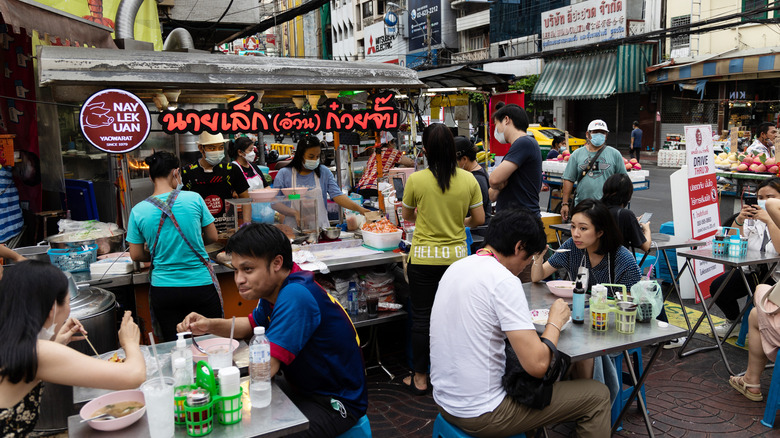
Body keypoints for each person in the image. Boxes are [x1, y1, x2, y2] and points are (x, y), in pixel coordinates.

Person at [430, 208, 611, 437]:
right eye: (529, 259)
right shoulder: (503, 280)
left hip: (445, 402)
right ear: (519, 247)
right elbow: (537, 365)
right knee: (596, 395)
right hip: (484, 413)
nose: (525, 266)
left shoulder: (458, 267)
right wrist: (555, 321)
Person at [177, 223, 366, 437]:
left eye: (248, 269)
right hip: (303, 388)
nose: (239, 279)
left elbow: (265, 369)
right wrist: (208, 324)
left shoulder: (296, 295)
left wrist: (217, 384)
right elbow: (250, 326)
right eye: (236, 270)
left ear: (276, 263)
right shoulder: (277, 288)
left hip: (334, 401)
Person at [0, 261, 145, 436]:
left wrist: (56, 343)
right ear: (52, 308)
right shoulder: (38, 353)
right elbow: (134, 375)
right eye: (68, 302)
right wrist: (130, 342)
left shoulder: (14, 345)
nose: (69, 311)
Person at [401, 123, 484, 395]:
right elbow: (480, 219)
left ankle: (421, 378)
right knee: (457, 318)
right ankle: (455, 373)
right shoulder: (469, 180)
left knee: (422, 319)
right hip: (458, 261)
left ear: (425, 149)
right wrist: (456, 220)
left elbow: (408, 217)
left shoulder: (415, 180)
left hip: (423, 259)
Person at [128, 151, 222, 341]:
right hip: (201, 285)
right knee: (211, 342)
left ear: (150, 176)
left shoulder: (138, 211)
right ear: (175, 173)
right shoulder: (194, 199)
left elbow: (136, 255)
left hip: (164, 289)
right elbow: (213, 236)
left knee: (175, 347)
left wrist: (158, 252)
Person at [710, 177, 780, 339]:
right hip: (752, 270)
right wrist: (740, 220)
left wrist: (769, 220)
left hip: (776, 276)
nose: (764, 202)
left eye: (770, 198)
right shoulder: (752, 218)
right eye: (760, 198)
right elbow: (735, 240)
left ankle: (768, 331)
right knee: (718, 288)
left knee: (763, 303)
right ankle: (734, 322)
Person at [273, 135, 368, 230]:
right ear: (300, 155)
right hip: (293, 230)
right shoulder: (285, 174)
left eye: (317, 156)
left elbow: (337, 196)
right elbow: (275, 202)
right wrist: (294, 212)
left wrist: (360, 209)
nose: (315, 160)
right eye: (311, 156)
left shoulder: (324, 172)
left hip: (320, 229)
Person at [182, 132, 250, 234]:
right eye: (212, 148)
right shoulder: (188, 172)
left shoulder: (231, 169)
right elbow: (183, 205)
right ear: (201, 148)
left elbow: (246, 200)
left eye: (220, 147)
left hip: (228, 229)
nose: (217, 151)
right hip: (200, 231)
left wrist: (246, 226)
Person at [560, 119, 627, 221]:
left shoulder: (615, 154)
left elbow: (623, 181)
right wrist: (565, 203)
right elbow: (568, 179)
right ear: (588, 134)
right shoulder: (576, 154)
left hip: (607, 208)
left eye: (603, 132)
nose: (599, 135)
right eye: (595, 132)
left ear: (606, 135)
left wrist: (620, 206)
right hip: (582, 207)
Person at [488, 103, 542, 216]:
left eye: (497, 124)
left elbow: (494, 179)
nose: (496, 130)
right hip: (511, 219)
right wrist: (499, 184)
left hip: (521, 221)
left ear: (506, 120)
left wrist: (499, 183)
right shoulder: (519, 146)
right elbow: (492, 195)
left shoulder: (524, 142)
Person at [601, 173, 652, 253]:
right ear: (628, 194)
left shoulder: (596, 208)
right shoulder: (626, 215)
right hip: (616, 263)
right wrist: (646, 228)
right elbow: (645, 246)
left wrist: (633, 222)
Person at [354, 131, 414, 199]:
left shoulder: (375, 153)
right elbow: (411, 163)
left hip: (360, 188)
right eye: (393, 142)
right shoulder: (392, 151)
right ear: (389, 142)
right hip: (377, 188)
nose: (394, 144)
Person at [455, 136, 491, 220]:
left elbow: (477, 219)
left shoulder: (476, 179)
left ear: (464, 159)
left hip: (475, 231)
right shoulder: (479, 172)